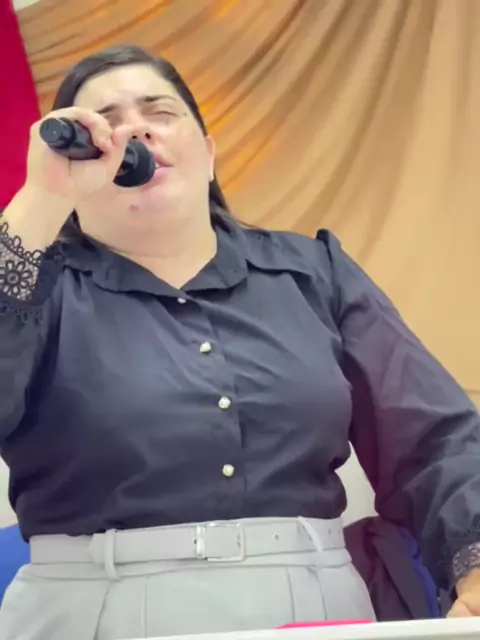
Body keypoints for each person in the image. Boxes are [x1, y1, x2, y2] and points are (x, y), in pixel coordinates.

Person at [0, 44, 479, 640]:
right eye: (104, 124)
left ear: (208, 153)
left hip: (315, 607)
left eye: (160, 112)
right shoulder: (35, 288)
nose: (134, 131)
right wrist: (42, 199)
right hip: (92, 610)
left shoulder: (314, 273)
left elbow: (433, 437)